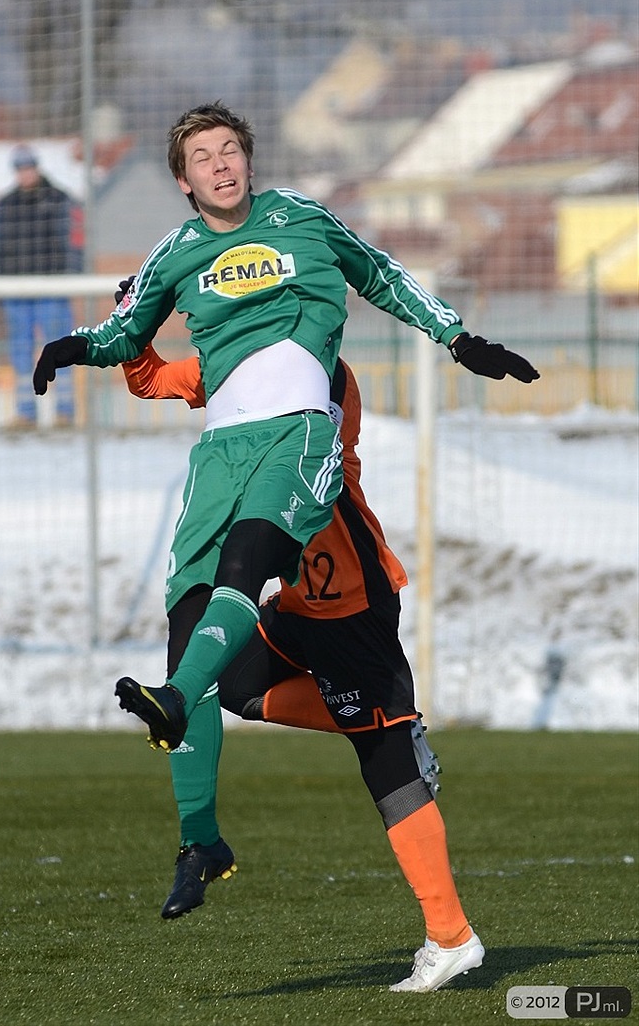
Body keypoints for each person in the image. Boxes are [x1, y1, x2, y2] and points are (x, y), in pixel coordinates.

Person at [33, 100, 537, 988]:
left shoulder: (310, 320)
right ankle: (202, 832)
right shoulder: (191, 286)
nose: (222, 163)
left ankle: (451, 933)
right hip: (248, 512)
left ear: (250, 162)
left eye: (233, 148)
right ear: (184, 179)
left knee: (374, 744)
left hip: (339, 573)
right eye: (204, 155)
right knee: (220, 662)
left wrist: (462, 340)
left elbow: (380, 274)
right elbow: (152, 364)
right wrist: (88, 343)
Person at [119, 325, 482, 994]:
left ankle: (451, 935)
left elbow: (301, 435)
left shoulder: (320, 370)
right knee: (230, 677)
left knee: (389, 777)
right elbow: (151, 380)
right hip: (296, 607)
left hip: (348, 605)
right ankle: (384, 720)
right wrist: (132, 331)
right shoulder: (240, 353)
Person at [0, 144, 83, 427]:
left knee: (59, 348)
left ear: (36, 167)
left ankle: (65, 411)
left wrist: (71, 277)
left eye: (28, 167)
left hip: (51, 287)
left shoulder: (59, 200)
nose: (24, 173)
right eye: (19, 168)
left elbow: (75, 240)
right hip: (17, 290)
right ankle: (26, 411)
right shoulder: (6, 205)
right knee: (20, 351)